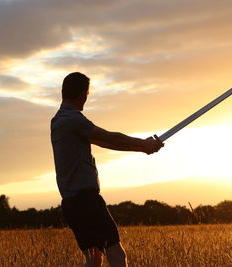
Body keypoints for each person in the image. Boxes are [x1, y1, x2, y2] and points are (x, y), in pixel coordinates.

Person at [51, 72, 163, 267]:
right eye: (87, 93)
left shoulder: (59, 121)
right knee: (117, 257)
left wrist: (142, 148)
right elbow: (111, 138)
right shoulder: (73, 120)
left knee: (94, 260)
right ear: (82, 93)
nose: (87, 97)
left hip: (72, 204)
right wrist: (143, 144)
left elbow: (104, 141)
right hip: (87, 201)